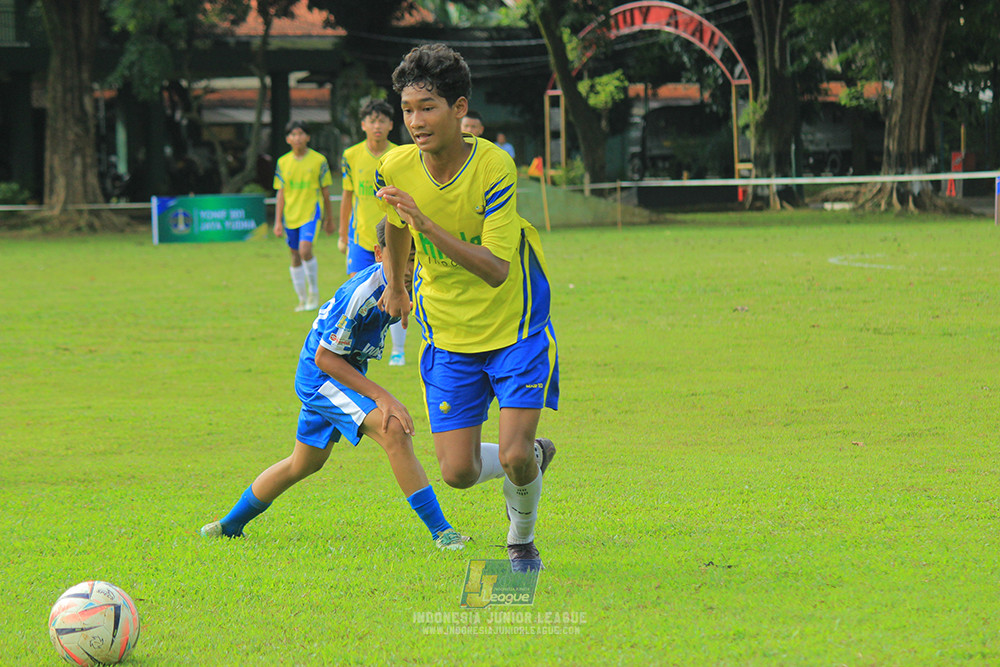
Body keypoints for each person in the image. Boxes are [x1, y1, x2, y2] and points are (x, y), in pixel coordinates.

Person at [375, 44, 558, 572]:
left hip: (515, 326)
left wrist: (427, 225)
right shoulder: (394, 165)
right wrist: (397, 285)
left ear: (459, 109)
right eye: (407, 109)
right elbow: (394, 224)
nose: (415, 121)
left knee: (513, 455)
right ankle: (534, 455)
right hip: (448, 333)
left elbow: (497, 268)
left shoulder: (494, 166)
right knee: (456, 473)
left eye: (427, 108)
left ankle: (521, 540)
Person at [200, 220, 470, 551]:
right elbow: (325, 358)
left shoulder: (416, 282)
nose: (407, 267)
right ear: (378, 253)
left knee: (304, 462)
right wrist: (383, 396)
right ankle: (442, 532)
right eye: (400, 256)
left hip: (343, 370)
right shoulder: (361, 293)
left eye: (414, 257)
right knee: (394, 429)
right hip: (322, 374)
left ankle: (229, 525)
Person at [339, 99, 407, 366]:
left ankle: (398, 350)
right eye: (372, 120)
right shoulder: (350, 155)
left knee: (395, 288)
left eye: (382, 121)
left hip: (391, 236)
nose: (377, 125)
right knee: (359, 293)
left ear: (390, 125)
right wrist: (342, 235)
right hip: (360, 237)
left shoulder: (401, 154)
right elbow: (347, 195)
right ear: (363, 125)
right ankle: (354, 349)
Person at [273, 120, 335, 312]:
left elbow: (325, 192)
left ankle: (313, 293)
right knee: (294, 255)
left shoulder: (319, 160)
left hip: (311, 213)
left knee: (305, 250)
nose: (297, 138)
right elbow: (281, 193)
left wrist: (329, 219)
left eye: (301, 134)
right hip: (290, 215)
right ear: (287, 139)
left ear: (307, 137)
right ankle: (301, 299)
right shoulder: (283, 162)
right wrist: (277, 221)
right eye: (293, 134)